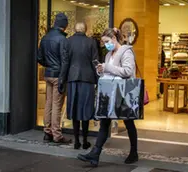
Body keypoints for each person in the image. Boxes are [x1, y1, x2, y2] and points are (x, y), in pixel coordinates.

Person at [77, 28, 138, 166]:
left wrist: (107, 68)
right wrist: (101, 71)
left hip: (123, 92)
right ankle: (95, 154)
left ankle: (134, 152)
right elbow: (108, 72)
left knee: (129, 122)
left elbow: (128, 71)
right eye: (104, 43)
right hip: (111, 92)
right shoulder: (108, 54)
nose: (106, 45)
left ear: (114, 38)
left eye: (107, 41)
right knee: (105, 122)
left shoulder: (126, 52)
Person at [58, 22, 98, 150]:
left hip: (72, 78)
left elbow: (65, 63)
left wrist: (61, 79)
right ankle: (85, 140)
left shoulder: (68, 42)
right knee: (86, 110)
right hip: (88, 79)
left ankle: (76, 141)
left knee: (74, 109)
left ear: (74, 30)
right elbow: (95, 62)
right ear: (85, 30)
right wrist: (98, 80)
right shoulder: (91, 42)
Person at [37, 13, 72, 144]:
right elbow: (65, 61)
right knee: (57, 105)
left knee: (48, 103)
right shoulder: (62, 40)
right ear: (65, 25)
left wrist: (49, 66)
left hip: (48, 74)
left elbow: (39, 58)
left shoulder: (45, 38)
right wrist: (63, 78)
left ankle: (47, 132)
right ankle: (57, 135)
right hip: (58, 76)